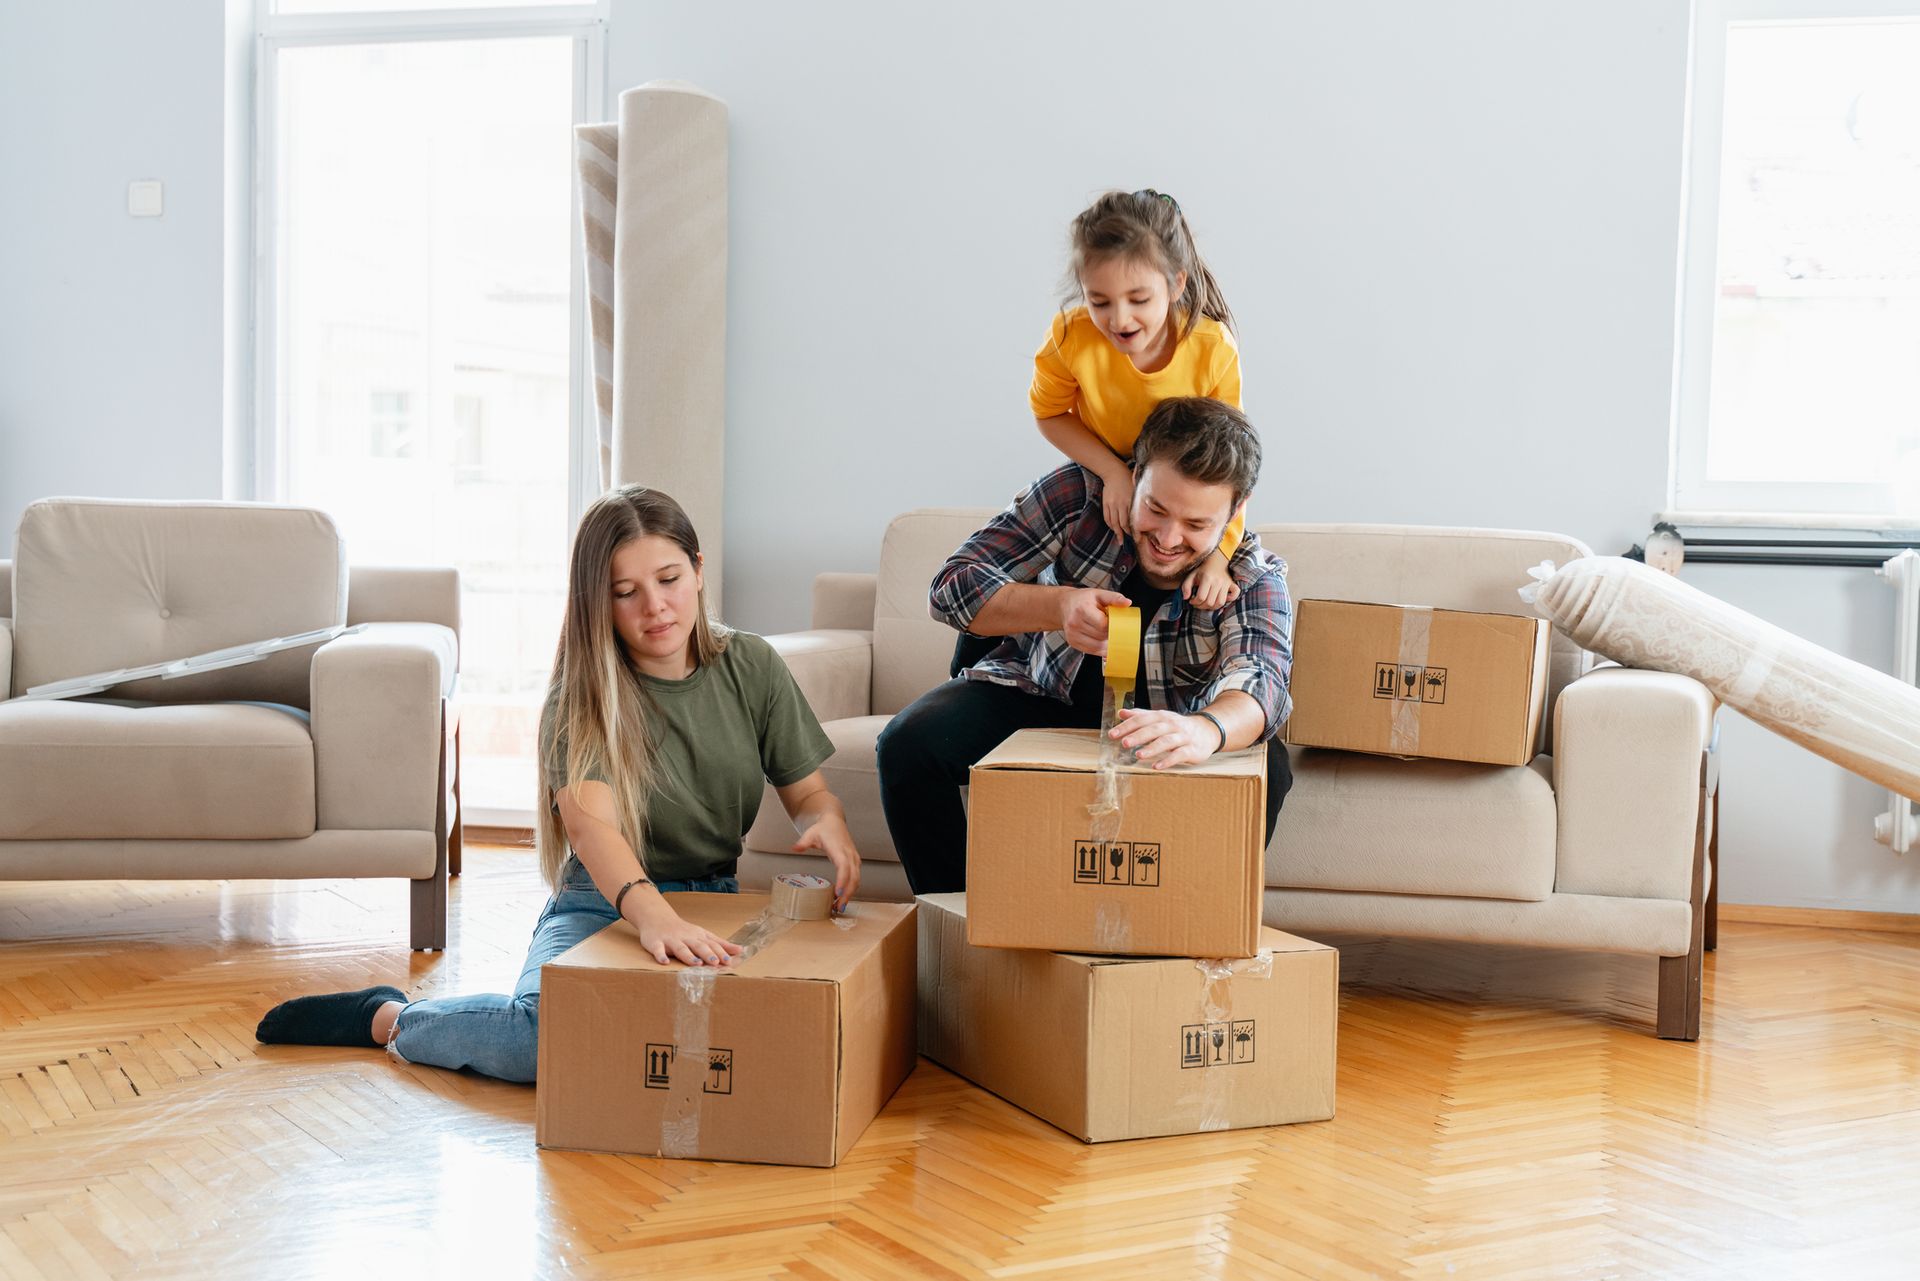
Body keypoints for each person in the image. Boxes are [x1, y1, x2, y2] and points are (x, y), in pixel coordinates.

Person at [255, 486, 860, 1083]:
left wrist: (825, 823)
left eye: (670, 579)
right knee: (541, 1042)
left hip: (713, 900)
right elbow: (591, 829)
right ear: (598, 602)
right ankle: (388, 1017)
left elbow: (806, 795)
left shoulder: (752, 666)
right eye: (626, 592)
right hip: (602, 902)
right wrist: (653, 917)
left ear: (699, 572)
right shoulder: (581, 697)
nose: (656, 606)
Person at [879, 396, 1293, 896]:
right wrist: (1058, 606)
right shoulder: (1079, 495)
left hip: (1162, 726)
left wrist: (1205, 729)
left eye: (1196, 525)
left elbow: (1261, 680)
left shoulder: (1251, 575)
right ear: (1134, 474)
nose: (1167, 537)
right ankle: (959, 923)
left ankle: (1184, 934)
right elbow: (951, 588)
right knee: (909, 744)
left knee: (1271, 768)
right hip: (1043, 691)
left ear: (1234, 512)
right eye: (1156, 508)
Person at [1033, 188, 1245, 610]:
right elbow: (1049, 413)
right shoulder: (1070, 337)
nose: (1119, 319)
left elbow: (1229, 467)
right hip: (1100, 471)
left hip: (1175, 486)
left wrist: (1220, 558)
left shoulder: (1211, 347)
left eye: (1139, 300)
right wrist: (1113, 472)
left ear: (1176, 284)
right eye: (1099, 301)